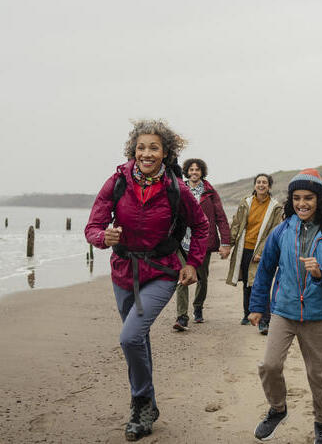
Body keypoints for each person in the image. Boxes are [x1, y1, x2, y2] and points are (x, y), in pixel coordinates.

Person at [85, 119, 209, 442]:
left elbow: (202, 225)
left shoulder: (176, 188)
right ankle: (149, 406)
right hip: (123, 272)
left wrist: (193, 263)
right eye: (141, 147)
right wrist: (104, 236)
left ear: (165, 152)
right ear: (133, 150)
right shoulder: (117, 182)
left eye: (154, 147)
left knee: (129, 338)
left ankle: (139, 402)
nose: (147, 153)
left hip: (162, 272)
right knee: (138, 339)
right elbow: (92, 227)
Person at [248, 169, 322, 443]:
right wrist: (258, 306)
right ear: (290, 200)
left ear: (319, 200)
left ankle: (321, 422)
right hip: (283, 311)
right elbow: (265, 271)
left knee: (318, 375)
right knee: (270, 366)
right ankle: (278, 409)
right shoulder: (281, 231)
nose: (302, 203)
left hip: (318, 315)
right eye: (296, 198)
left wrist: (321, 274)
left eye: (308, 198)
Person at [172, 158, 231, 331]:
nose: (194, 172)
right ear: (186, 172)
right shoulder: (180, 189)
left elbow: (220, 217)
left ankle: (198, 306)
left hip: (202, 242)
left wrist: (226, 242)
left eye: (197, 170)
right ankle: (182, 316)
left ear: (202, 172)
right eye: (191, 170)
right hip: (182, 242)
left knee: (202, 279)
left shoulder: (210, 192)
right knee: (181, 277)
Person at [225, 173, 283, 335]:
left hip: (262, 250)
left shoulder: (275, 206)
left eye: (265, 182)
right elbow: (236, 224)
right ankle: (247, 314)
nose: (261, 185)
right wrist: (228, 244)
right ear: (254, 185)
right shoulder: (246, 203)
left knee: (261, 283)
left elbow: (274, 231)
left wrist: (262, 252)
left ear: (269, 186)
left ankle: (265, 321)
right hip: (245, 248)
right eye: (258, 182)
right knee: (247, 283)